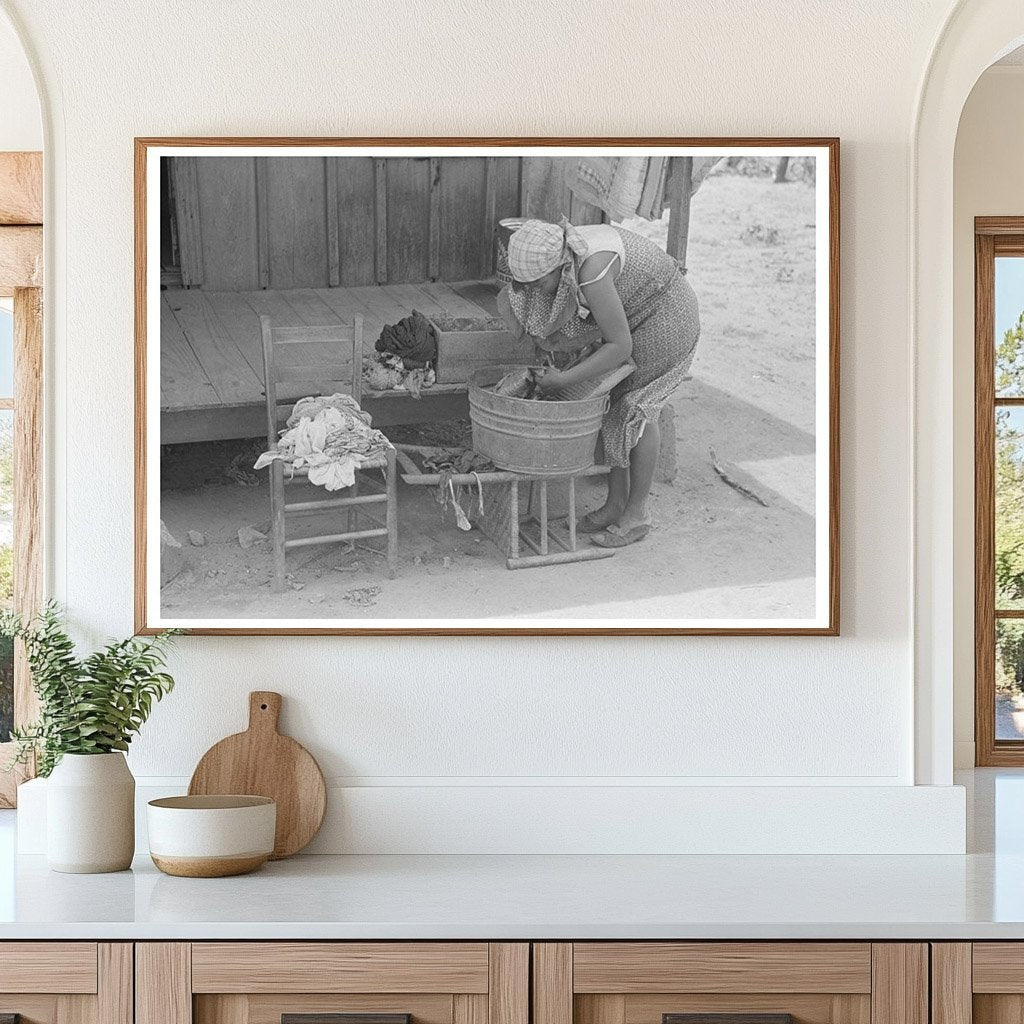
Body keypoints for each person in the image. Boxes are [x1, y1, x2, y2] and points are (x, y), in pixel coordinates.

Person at [497, 217, 700, 547]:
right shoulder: (567, 253)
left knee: (636, 409)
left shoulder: (591, 272)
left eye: (537, 283)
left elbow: (620, 347)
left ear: (559, 266)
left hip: (666, 316)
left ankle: (636, 515)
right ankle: (615, 504)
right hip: (636, 314)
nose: (532, 291)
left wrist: (563, 379)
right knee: (613, 403)